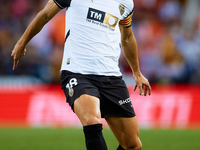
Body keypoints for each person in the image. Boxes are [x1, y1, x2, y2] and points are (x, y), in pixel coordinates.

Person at [11, 0, 151, 149]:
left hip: (111, 77)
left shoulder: (126, 3)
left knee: (133, 145)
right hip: (78, 73)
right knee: (92, 121)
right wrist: (21, 43)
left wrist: (137, 73)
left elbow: (127, 37)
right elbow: (45, 15)